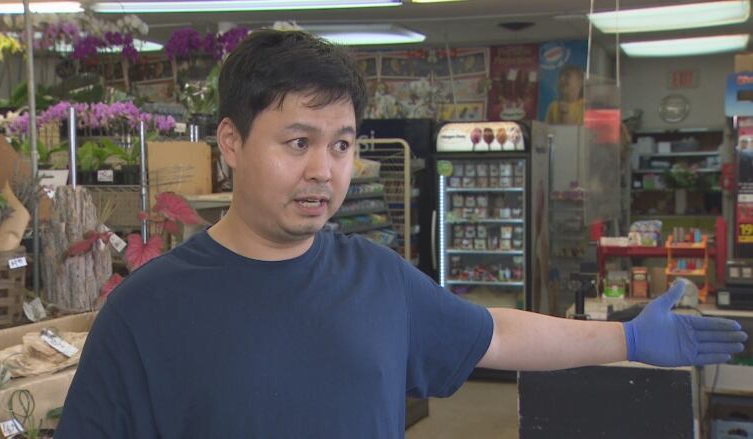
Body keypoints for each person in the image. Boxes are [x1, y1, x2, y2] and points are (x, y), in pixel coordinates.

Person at [56, 30, 747, 438]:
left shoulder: (376, 278)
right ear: (231, 142)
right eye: (297, 141)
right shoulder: (146, 310)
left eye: (343, 144)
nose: (324, 170)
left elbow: (495, 333)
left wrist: (626, 337)